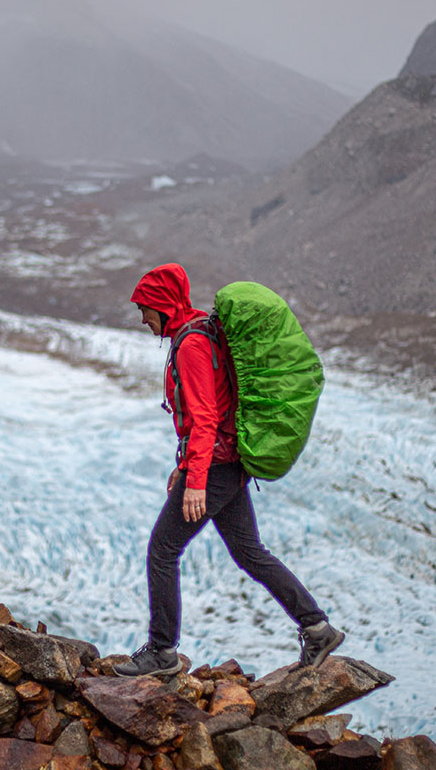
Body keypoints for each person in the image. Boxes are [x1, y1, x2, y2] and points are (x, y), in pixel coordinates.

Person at [113, 263, 343, 678]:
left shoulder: (190, 346)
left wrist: (195, 481)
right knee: (250, 552)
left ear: (164, 306)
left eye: (145, 309)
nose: (142, 319)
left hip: (215, 467)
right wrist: (182, 468)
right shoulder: (201, 330)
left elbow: (204, 418)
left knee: (162, 552)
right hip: (227, 462)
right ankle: (317, 627)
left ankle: (162, 652)